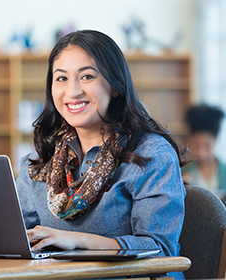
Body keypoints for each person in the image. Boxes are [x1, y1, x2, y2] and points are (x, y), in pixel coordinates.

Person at [15, 30, 187, 279]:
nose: (72, 92)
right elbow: (15, 237)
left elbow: (159, 250)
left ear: (115, 86)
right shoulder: (41, 159)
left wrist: (77, 241)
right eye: (61, 79)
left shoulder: (151, 154)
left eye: (86, 76)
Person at [182, 104, 226, 197]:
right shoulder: (183, 173)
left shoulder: (224, 171)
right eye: (197, 145)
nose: (201, 153)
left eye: (207, 145)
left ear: (215, 140)